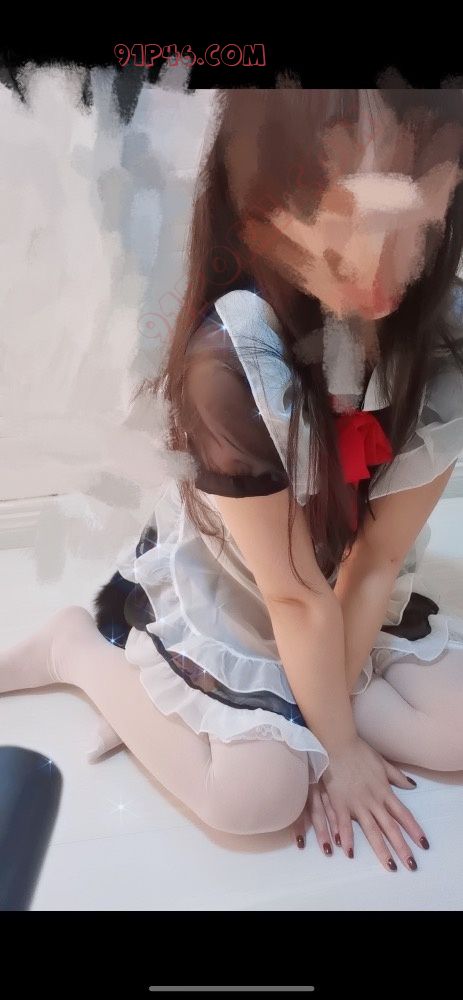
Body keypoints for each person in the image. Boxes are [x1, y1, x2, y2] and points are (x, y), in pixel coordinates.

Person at [2, 87, 463, 876]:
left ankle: (275, 702)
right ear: (272, 211)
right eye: (351, 223)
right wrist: (334, 750)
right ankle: (75, 649)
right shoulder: (229, 363)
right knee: (256, 799)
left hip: (343, 580)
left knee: (452, 733)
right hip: (246, 582)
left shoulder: (441, 335)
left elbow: (375, 562)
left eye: (417, 222)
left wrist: (327, 733)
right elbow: (289, 594)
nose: (386, 268)